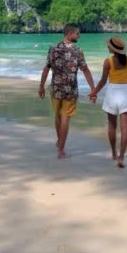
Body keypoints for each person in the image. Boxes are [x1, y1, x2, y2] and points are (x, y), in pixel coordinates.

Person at [38, 23, 96, 159]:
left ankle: (60, 142)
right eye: (77, 33)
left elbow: (46, 68)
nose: (79, 35)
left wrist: (41, 86)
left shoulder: (53, 49)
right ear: (69, 34)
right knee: (65, 118)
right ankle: (61, 150)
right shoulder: (77, 51)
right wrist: (93, 88)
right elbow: (85, 70)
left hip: (55, 89)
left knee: (58, 116)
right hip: (70, 90)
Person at [89, 36, 127, 168]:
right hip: (126, 93)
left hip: (112, 94)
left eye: (109, 46)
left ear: (113, 49)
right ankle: (121, 157)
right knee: (125, 128)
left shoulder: (108, 62)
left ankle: (114, 152)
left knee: (112, 126)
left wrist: (94, 92)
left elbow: (103, 81)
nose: (107, 47)